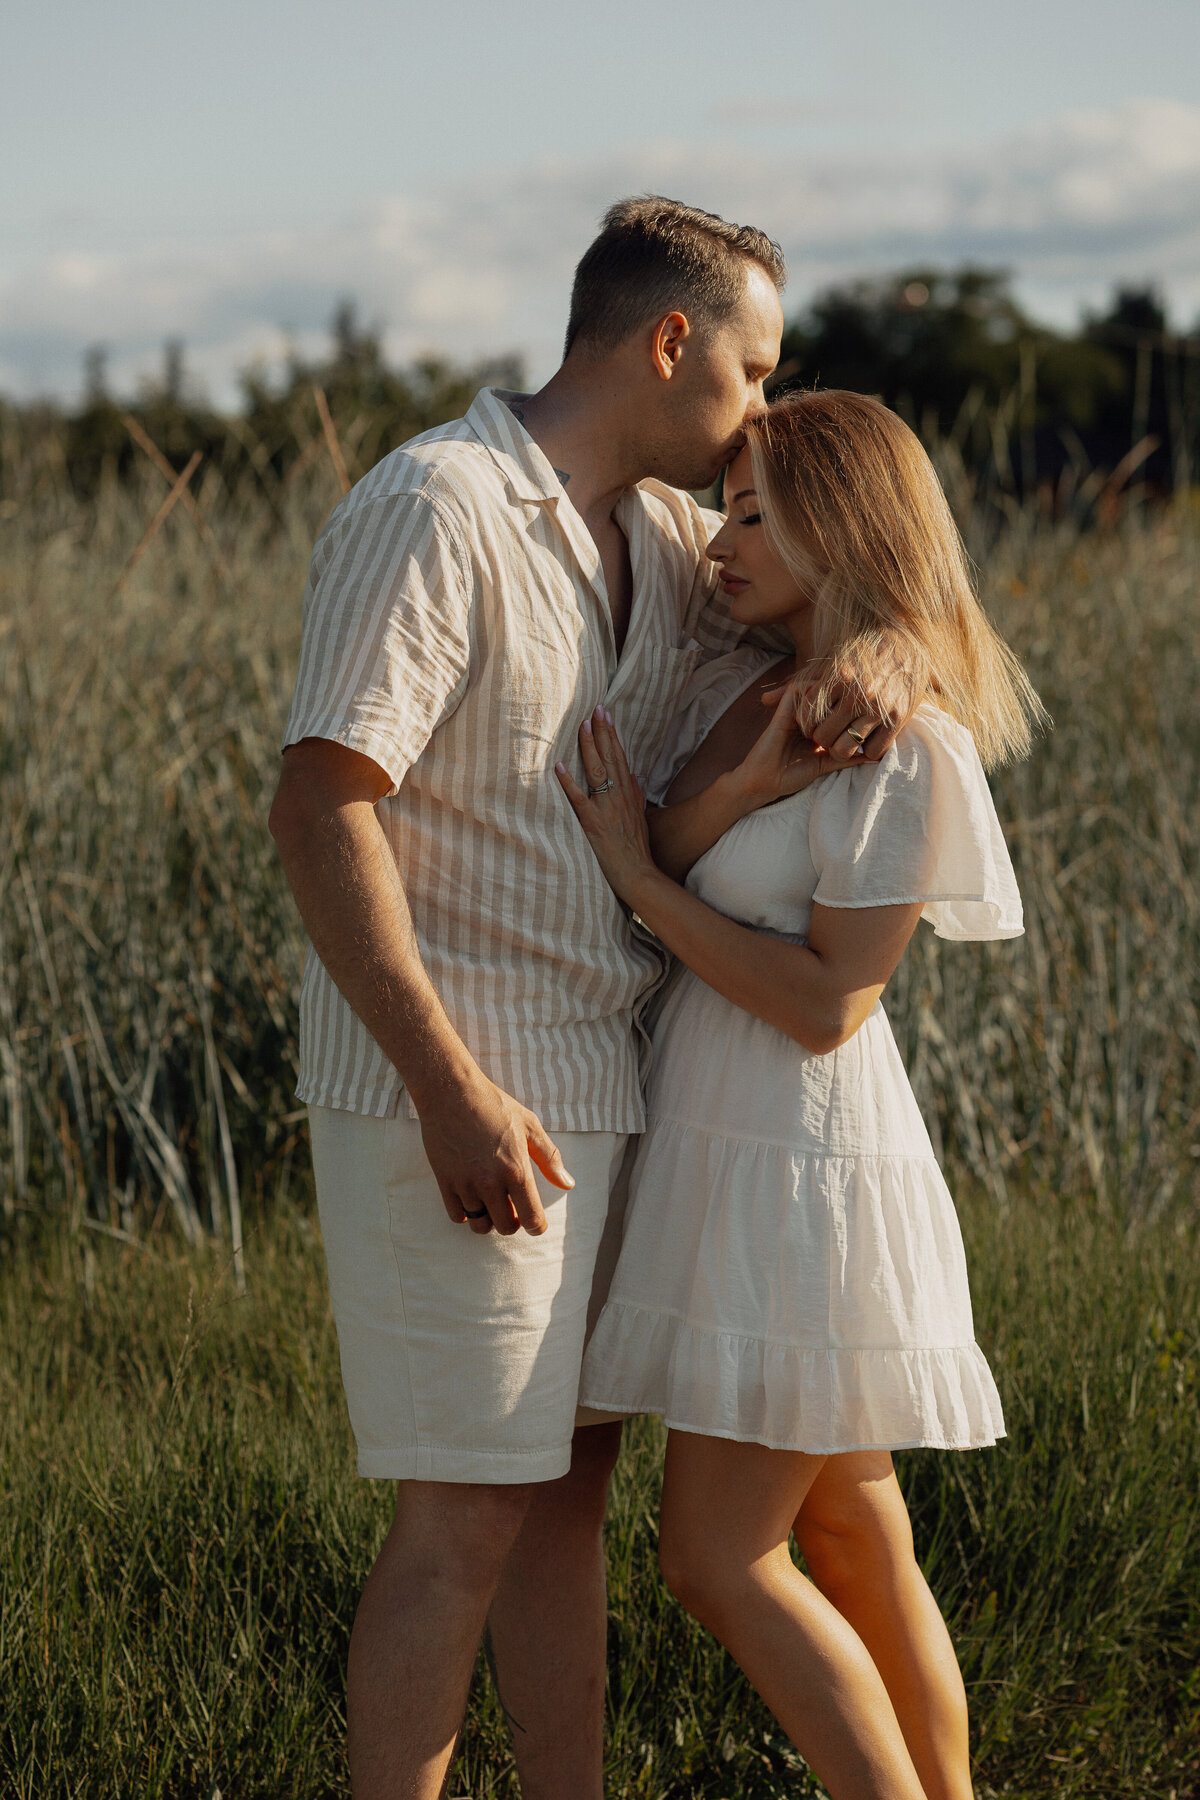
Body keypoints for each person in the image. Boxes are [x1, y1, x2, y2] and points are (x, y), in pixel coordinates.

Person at [269, 201, 911, 1800]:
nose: (767, 407)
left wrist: (894, 653)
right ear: (671, 342)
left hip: (607, 1086)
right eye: (756, 367)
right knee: (465, 1515)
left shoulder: (661, 546)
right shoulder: (438, 503)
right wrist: (446, 1088)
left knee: (564, 1507)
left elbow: (835, 593)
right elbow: (322, 801)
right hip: (458, 1091)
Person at [561, 389, 1045, 1800]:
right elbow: (665, 844)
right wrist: (734, 792)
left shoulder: (910, 741)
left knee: (718, 1556)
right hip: (729, 1144)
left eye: (762, 512)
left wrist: (643, 885)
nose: (723, 538)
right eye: (729, 502)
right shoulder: (758, 690)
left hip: (795, 1162)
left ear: (848, 528)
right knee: (850, 1530)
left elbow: (833, 1002)